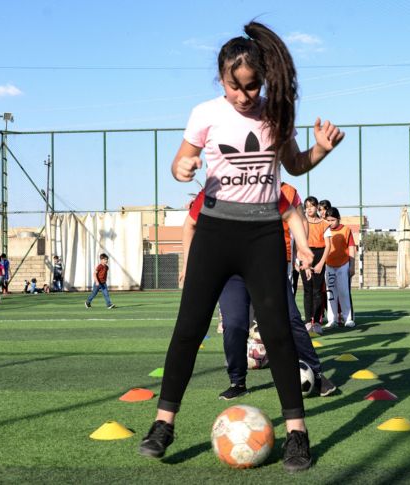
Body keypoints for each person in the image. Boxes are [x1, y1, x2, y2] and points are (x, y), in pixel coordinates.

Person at [137, 21, 344, 473]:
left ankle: (297, 435)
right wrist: (184, 167)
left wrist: (321, 150)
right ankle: (163, 424)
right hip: (214, 232)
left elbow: (293, 164)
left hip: (262, 237)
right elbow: (179, 162)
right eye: (236, 86)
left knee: (279, 335)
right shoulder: (204, 113)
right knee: (188, 330)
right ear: (221, 79)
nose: (244, 95)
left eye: (252, 86)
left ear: (264, 81)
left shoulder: (275, 113)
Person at [182, 187, 337, 401]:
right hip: (229, 269)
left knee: (290, 318)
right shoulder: (220, 188)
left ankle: (317, 375)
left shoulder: (281, 190)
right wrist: (188, 265)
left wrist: (302, 248)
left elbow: (299, 219)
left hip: (269, 262)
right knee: (234, 324)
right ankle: (237, 381)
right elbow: (191, 224)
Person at [322, 207, 357, 328]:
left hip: (343, 265)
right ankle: (332, 320)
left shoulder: (346, 230)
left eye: (332, 220)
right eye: (328, 220)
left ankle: (348, 318)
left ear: (338, 219)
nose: (330, 222)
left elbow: (352, 248)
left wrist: (352, 265)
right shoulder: (325, 230)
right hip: (329, 265)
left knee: (344, 292)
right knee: (330, 293)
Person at [300, 196, 330, 334]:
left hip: (319, 255)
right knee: (307, 290)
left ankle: (317, 322)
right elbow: (299, 243)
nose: (309, 209)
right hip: (306, 254)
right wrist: (303, 263)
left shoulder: (324, 223)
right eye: (307, 206)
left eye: (311, 206)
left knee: (317, 291)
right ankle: (307, 321)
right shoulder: (301, 222)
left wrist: (321, 263)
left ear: (317, 207)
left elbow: (328, 246)